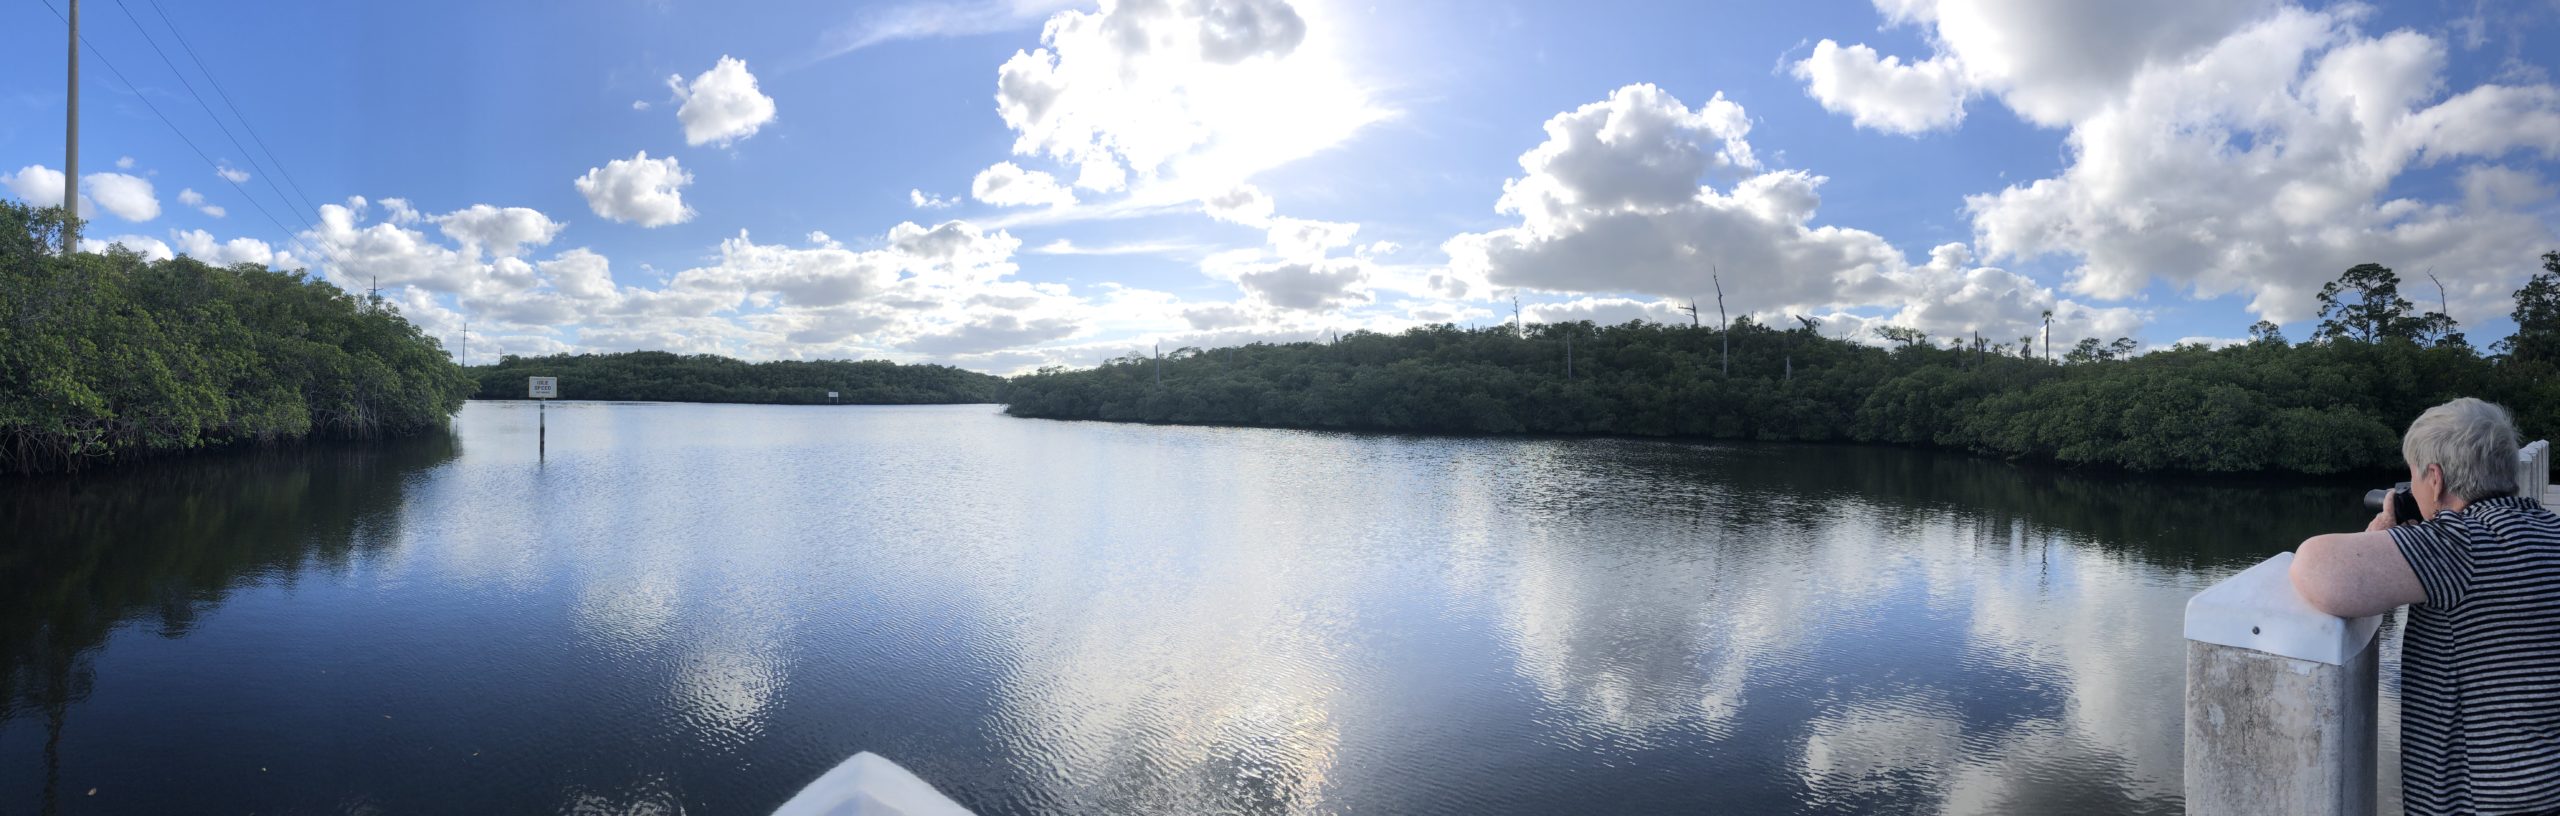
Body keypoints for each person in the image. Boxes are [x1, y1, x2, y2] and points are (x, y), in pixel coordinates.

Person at [2292, 397, 2560, 815]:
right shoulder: (2548, 528)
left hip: (2488, 801)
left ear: (2435, 479)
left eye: (2413, 477)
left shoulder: (2462, 543)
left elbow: (2315, 566)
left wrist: (2381, 533)